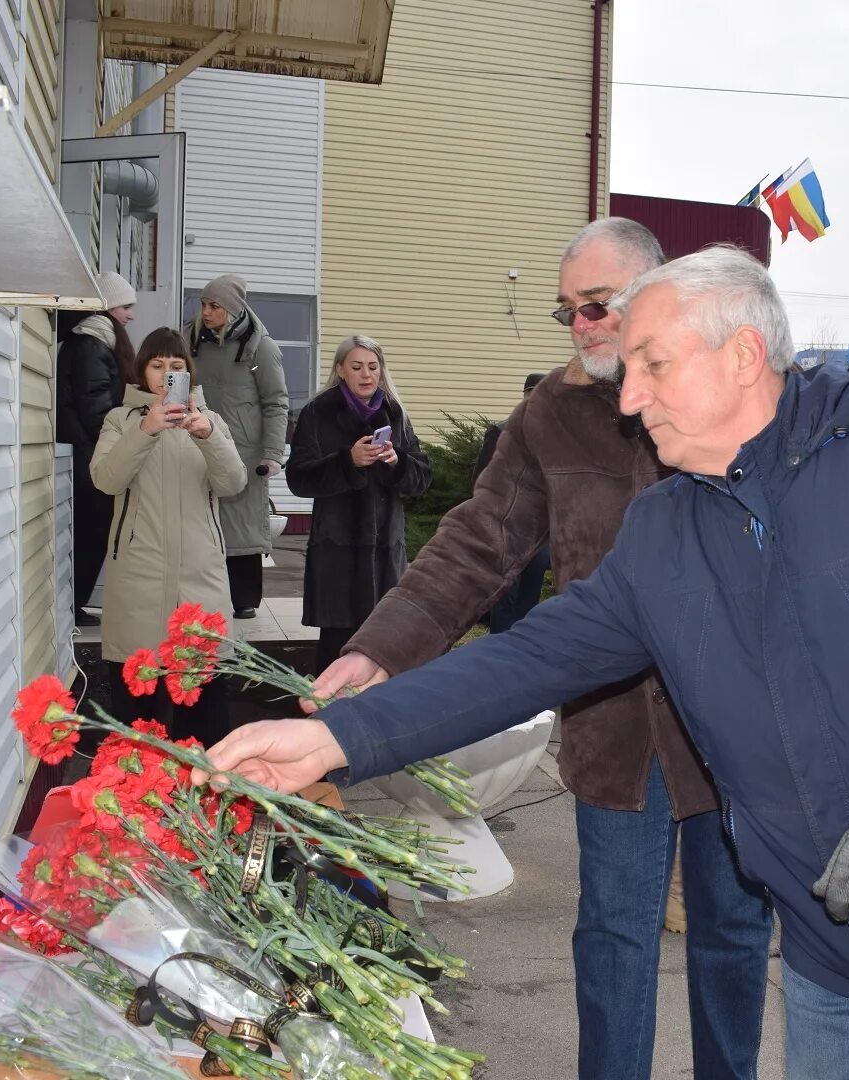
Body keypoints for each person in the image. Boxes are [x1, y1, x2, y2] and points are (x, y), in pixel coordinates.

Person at [201, 246, 849, 1079]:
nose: (629, 396)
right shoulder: (664, 531)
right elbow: (529, 659)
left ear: (742, 355)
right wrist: (333, 740)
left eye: (652, 365)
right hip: (832, 942)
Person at [299, 220, 773, 1080]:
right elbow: (476, 542)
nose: (581, 326)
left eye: (598, 306)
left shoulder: (719, 390)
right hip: (614, 726)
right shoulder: (549, 415)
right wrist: (380, 650)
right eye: (568, 312)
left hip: (733, 727)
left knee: (735, 934)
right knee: (615, 939)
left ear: (655, 294)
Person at [89, 328, 246, 746]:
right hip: (139, 578)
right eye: (157, 366)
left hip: (200, 577)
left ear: (188, 375)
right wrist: (147, 428)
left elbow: (233, 483)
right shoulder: (121, 420)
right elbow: (106, 479)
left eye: (176, 367)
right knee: (136, 713)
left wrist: (208, 436)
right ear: (142, 371)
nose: (166, 374)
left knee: (205, 709)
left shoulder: (210, 422)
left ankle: (208, 796)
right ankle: (135, 796)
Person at [286, 336, 432, 675]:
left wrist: (398, 462)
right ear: (340, 370)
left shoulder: (395, 413)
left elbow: (422, 477)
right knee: (335, 661)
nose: (366, 375)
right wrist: (347, 462)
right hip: (338, 558)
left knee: (384, 654)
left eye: (373, 367)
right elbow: (298, 479)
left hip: (385, 558)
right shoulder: (317, 413)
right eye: (356, 367)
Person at [188, 274, 289, 619]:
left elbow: (276, 402)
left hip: (245, 450)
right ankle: (202, 598)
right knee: (201, 522)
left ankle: (245, 599)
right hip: (197, 441)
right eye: (203, 304)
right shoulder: (189, 339)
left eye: (214, 305)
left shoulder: (261, 347)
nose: (206, 311)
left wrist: (273, 454)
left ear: (232, 309)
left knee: (241, 525)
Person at [56, 272, 137, 627]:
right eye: (125, 306)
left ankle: (74, 605)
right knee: (92, 533)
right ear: (106, 307)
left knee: (89, 534)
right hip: (90, 458)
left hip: (84, 454)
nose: (129, 315)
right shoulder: (92, 344)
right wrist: (121, 445)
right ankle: (73, 606)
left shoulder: (89, 341)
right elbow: (96, 407)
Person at [474, 373, 552, 633]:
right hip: (506, 530)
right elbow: (479, 484)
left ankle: (521, 652)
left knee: (528, 598)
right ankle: (499, 651)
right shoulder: (500, 432)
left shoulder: (555, 439)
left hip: (540, 535)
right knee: (505, 597)